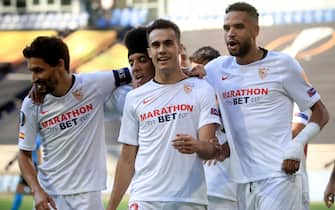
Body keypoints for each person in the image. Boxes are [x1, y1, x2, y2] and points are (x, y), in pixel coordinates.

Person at [203, 2, 329, 210]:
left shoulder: (283, 65)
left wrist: (296, 146)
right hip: (242, 180)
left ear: (255, 30)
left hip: (279, 176)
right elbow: (184, 84)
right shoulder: (216, 69)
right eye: (226, 28)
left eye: (238, 27)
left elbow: (321, 113)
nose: (231, 33)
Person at [107, 19, 226, 210]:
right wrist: (111, 207)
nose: (161, 49)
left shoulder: (201, 88)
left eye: (168, 43)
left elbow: (211, 150)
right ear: (150, 52)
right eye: (156, 45)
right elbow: (127, 159)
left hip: (189, 200)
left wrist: (197, 146)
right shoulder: (134, 98)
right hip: (145, 199)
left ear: (179, 48)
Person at [17, 36, 132, 210]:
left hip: (87, 195)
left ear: (60, 64)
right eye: (31, 71)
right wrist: (37, 191)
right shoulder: (32, 104)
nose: (33, 78)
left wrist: (185, 71)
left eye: (39, 70)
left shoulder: (94, 83)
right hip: (49, 196)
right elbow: (24, 154)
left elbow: (138, 70)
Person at [190, 46, 237, 210]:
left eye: (203, 73)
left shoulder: (231, 98)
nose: (199, 77)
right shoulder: (190, 98)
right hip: (195, 190)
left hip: (226, 190)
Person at [6, 135, 41, 210]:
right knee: (34, 192)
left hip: (30, 167)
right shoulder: (36, 136)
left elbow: (37, 153)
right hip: (32, 166)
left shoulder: (32, 136)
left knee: (33, 191)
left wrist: (11, 162)